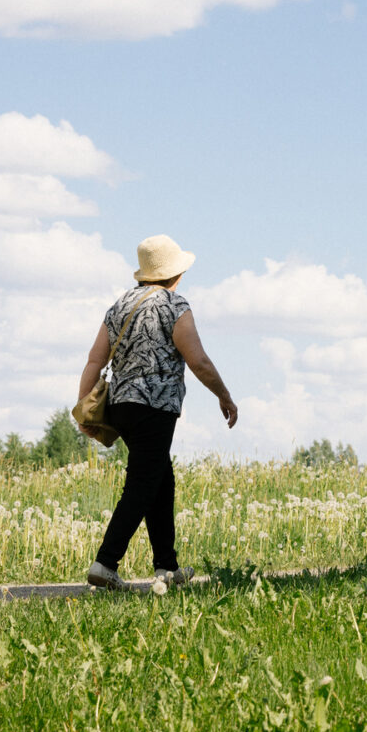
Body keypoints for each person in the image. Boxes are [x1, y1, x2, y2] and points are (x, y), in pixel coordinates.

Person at [79, 234, 237, 591]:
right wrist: (224, 395)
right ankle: (105, 563)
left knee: (160, 479)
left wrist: (84, 409)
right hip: (154, 407)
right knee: (142, 482)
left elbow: (95, 359)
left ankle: (167, 566)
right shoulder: (174, 306)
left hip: (121, 407)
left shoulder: (119, 305)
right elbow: (197, 359)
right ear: (176, 274)